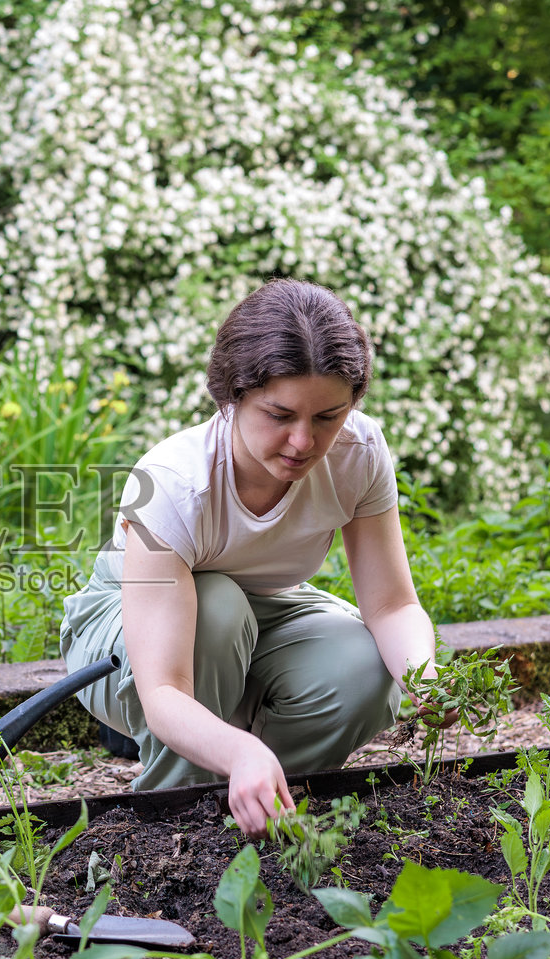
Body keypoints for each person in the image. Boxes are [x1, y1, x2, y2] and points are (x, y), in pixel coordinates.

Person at [59, 278, 445, 837]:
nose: (303, 442)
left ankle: (268, 814)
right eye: (279, 414)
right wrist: (238, 750)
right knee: (217, 607)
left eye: (327, 417)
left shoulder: (358, 454)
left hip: (265, 611)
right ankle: (175, 828)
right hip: (129, 636)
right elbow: (164, 688)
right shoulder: (174, 483)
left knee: (365, 663)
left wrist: (426, 677)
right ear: (230, 396)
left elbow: (390, 605)